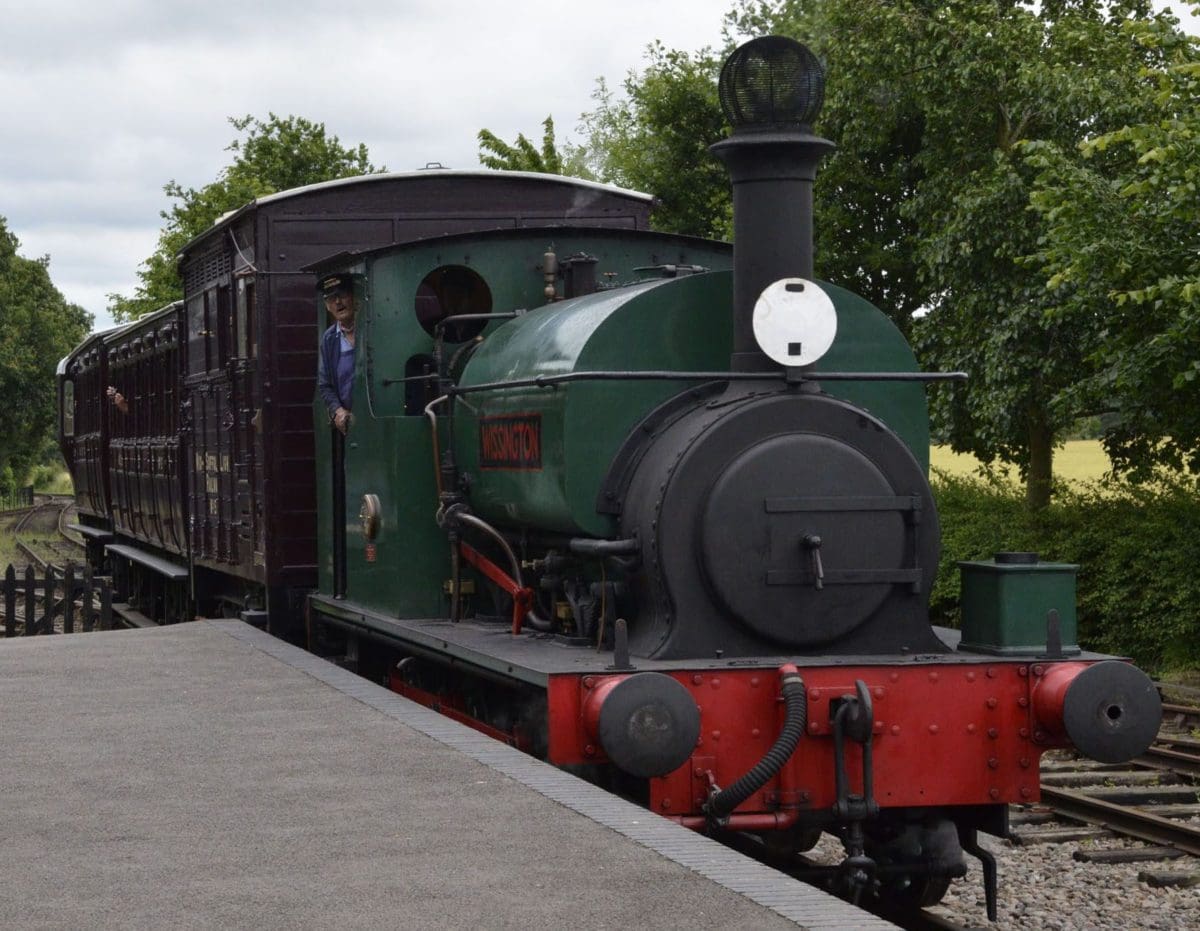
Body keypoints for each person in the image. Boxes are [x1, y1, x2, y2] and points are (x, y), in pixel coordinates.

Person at [317, 274, 357, 434]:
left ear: (353, 297)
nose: (338, 302)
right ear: (327, 306)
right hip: (349, 422)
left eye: (342, 295)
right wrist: (338, 411)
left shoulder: (369, 328)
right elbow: (325, 384)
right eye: (332, 299)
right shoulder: (329, 339)